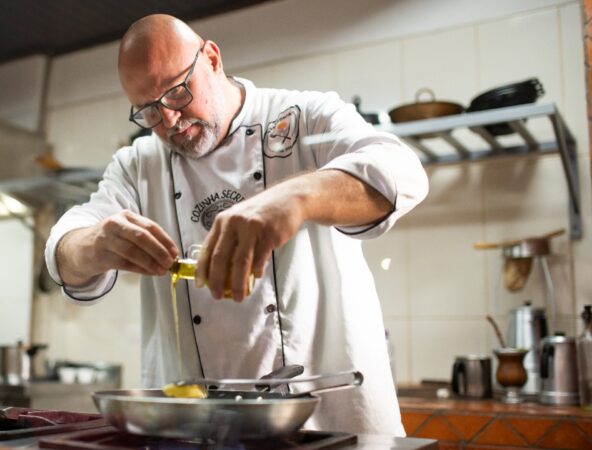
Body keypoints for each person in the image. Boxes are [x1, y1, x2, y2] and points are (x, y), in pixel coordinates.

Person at [45, 14, 428, 435]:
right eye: (149, 111)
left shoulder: (306, 118)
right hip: (194, 431)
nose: (168, 120)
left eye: (175, 92)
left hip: (331, 424)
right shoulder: (139, 164)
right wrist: (94, 245)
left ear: (212, 58)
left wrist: (291, 200)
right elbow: (67, 246)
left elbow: (399, 172)